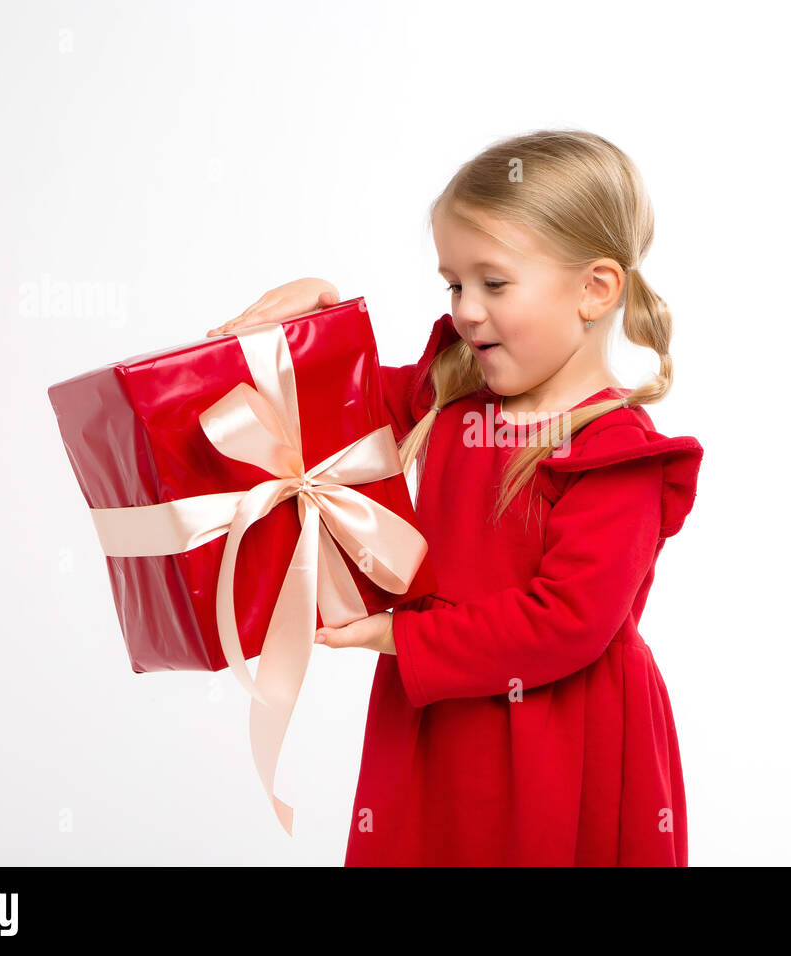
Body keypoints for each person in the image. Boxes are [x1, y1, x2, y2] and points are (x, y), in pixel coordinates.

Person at [207, 129, 704, 866]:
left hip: (560, 739)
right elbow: (342, 422)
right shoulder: (452, 391)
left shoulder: (615, 451)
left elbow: (566, 621)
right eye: (453, 284)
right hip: (441, 720)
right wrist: (310, 331)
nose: (467, 310)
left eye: (494, 284)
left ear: (594, 290)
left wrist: (395, 637)